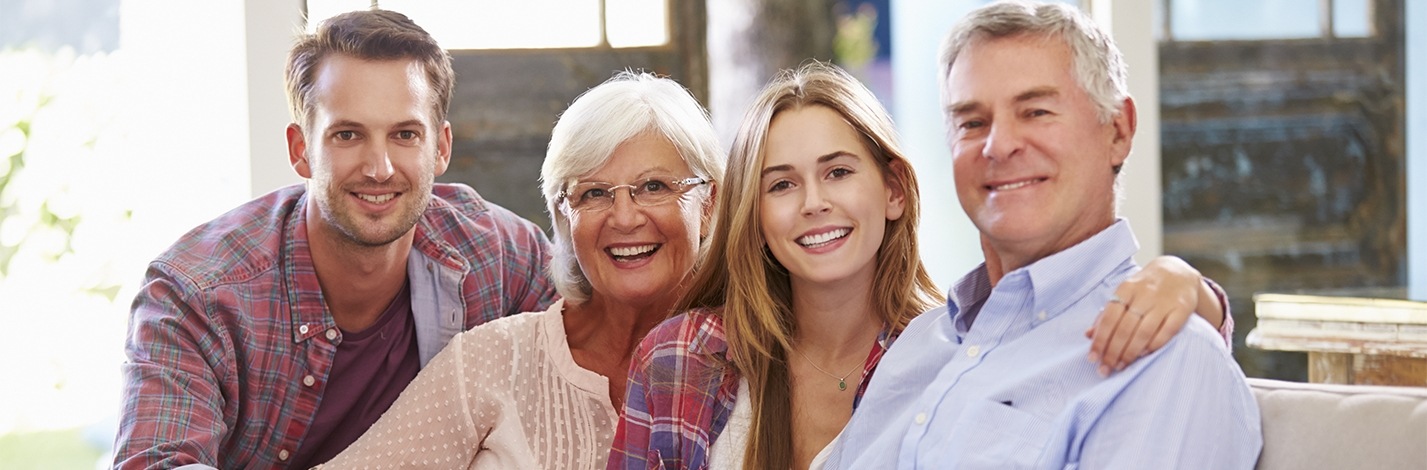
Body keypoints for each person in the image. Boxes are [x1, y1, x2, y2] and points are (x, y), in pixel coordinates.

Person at [609, 61, 1234, 470]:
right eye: (780, 185)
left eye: (838, 172)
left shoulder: (946, 354)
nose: (814, 202)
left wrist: (1194, 290)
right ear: (755, 215)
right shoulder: (683, 359)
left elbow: (1073, 356)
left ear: (894, 192)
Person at [823, 2, 1262, 468]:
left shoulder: (1166, 359)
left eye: (1035, 111)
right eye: (972, 122)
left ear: (1118, 130)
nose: (998, 145)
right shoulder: (916, 344)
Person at [112, 10, 556, 469]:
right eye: (348, 135)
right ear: (300, 149)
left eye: (405, 134)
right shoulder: (197, 294)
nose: (379, 168)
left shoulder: (504, 255)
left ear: (440, 148)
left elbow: (596, 378)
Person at [315, 71, 724, 469]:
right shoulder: (492, 359)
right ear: (563, 218)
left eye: (654, 186)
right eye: (593, 193)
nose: (624, 217)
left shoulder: (760, 363)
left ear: (708, 205)